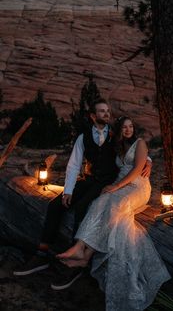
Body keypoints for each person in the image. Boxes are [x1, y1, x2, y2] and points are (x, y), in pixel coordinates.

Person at [13, 99, 152, 291]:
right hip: (89, 179)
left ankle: (75, 263)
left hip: (106, 183)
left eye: (107, 111)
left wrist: (149, 161)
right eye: (102, 111)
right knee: (56, 205)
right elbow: (73, 164)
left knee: (82, 208)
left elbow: (133, 150)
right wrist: (68, 191)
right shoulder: (83, 137)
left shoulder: (115, 135)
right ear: (93, 116)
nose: (106, 114)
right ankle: (42, 253)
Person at [57, 116, 171, 311]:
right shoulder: (117, 146)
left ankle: (84, 252)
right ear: (119, 130)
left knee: (115, 205)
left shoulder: (140, 143)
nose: (128, 130)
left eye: (130, 126)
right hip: (120, 186)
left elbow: (137, 169)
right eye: (124, 127)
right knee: (100, 202)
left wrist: (120, 183)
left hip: (137, 188)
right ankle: (81, 249)